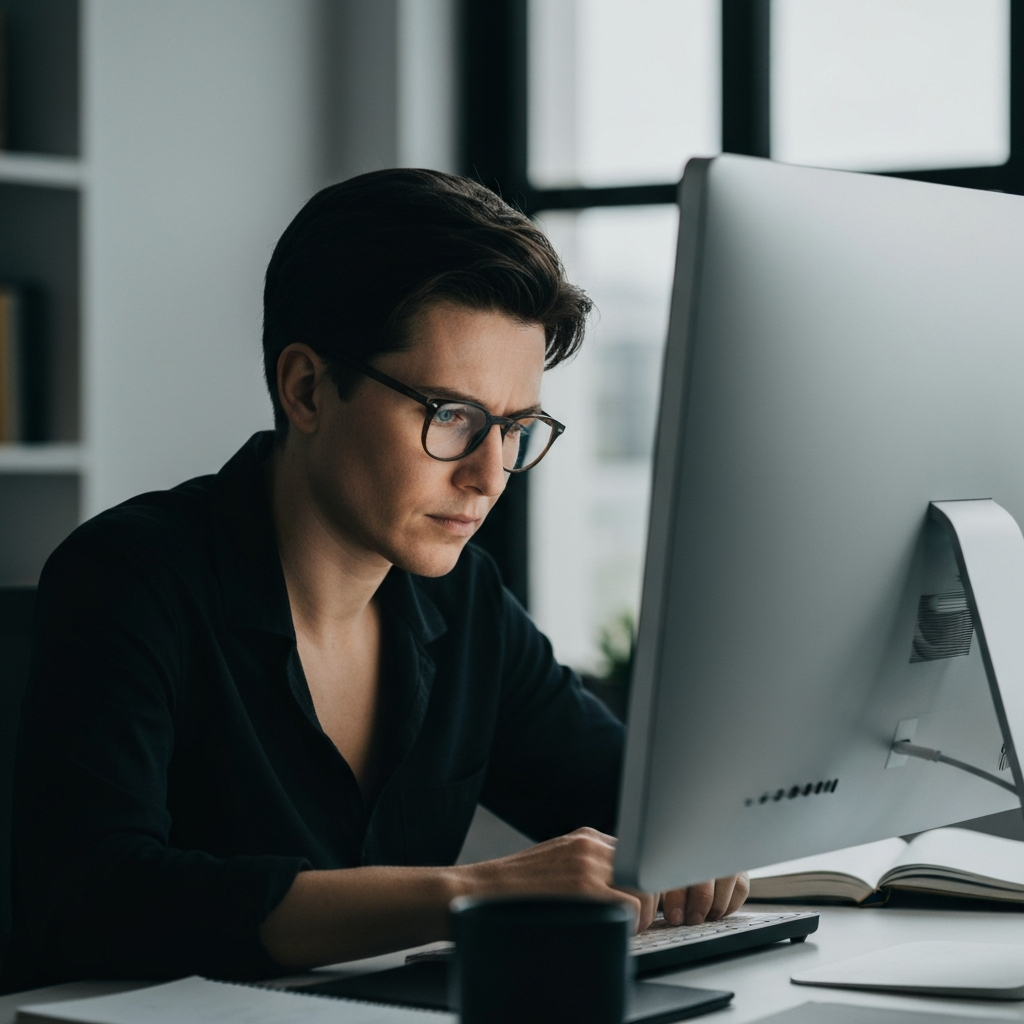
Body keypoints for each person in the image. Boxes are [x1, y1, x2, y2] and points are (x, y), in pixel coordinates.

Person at [6, 170, 747, 989]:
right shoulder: (132, 577)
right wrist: (473, 892)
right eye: (452, 417)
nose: (489, 475)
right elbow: (96, 899)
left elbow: (632, 806)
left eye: (516, 429)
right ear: (307, 388)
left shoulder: (462, 602)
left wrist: (704, 838)